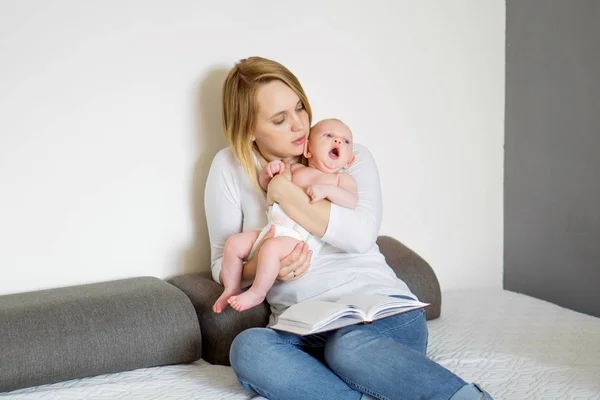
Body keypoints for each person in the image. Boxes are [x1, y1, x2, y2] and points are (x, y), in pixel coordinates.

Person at [204, 56, 493, 400]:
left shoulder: (345, 153)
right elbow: (223, 261)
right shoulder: (229, 167)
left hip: (379, 315)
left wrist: (285, 193)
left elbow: (359, 237)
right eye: (280, 119)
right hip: (304, 326)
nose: (299, 125)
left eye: (300, 108)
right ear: (248, 129)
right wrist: (271, 268)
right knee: (249, 347)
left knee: (348, 347)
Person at [212, 118, 357, 314]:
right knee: (234, 244)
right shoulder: (296, 169)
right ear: (308, 149)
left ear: (350, 160)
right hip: (271, 227)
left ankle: (257, 292)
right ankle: (231, 288)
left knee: (271, 249)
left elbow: (351, 201)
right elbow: (269, 187)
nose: (338, 141)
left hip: (296, 237)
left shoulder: (341, 179)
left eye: (345, 141)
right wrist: (269, 172)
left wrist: (328, 191)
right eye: (329, 136)